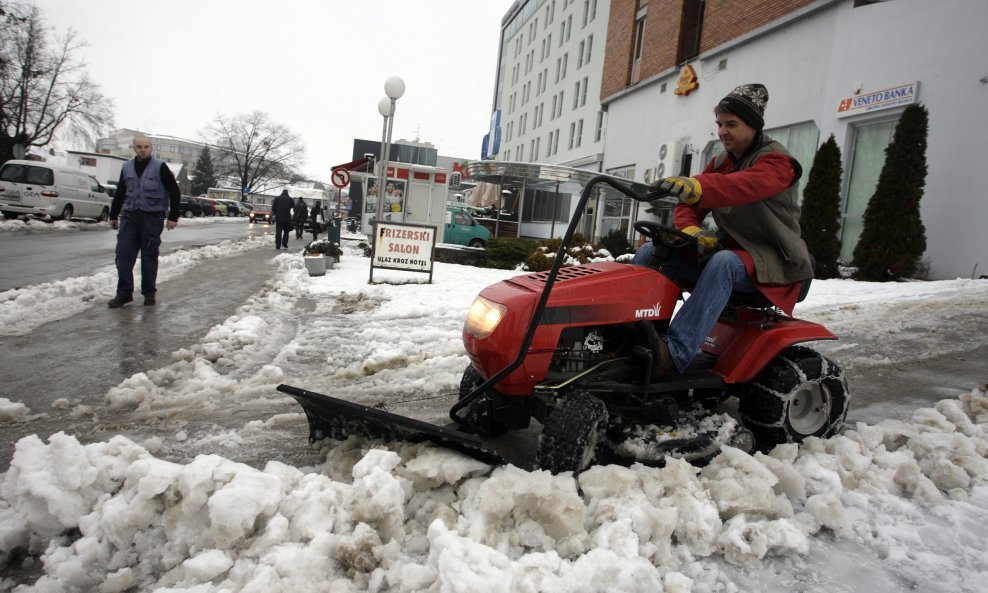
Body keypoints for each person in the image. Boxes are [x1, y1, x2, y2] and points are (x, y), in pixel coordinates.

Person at [632, 83, 813, 376]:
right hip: (736, 255)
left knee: (724, 262)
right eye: (719, 124)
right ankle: (639, 335)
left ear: (753, 126)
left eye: (732, 124)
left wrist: (698, 186)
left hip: (773, 261)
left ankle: (674, 352)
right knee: (652, 251)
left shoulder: (778, 163)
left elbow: (740, 187)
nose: (722, 131)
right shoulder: (721, 162)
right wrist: (690, 229)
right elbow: (690, 203)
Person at [107, 134, 181, 308]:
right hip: (129, 217)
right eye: (139, 147)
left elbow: (174, 192)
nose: (143, 149)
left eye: (146, 146)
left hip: (152, 217)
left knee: (148, 256)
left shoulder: (160, 167)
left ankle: (149, 294)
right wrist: (113, 215)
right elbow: (120, 192)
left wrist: (173, 217)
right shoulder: (126, 167)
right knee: (123, 256)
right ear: (134, 148)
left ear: (151, 148)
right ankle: (124, 294)